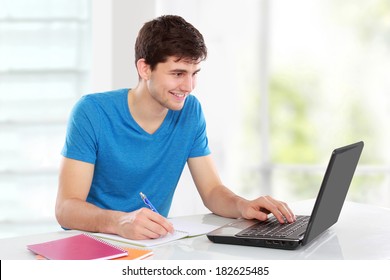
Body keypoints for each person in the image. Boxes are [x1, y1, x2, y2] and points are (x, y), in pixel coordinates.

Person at [55, 15, 296, 240]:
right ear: (145, 68)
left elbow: (212, 191)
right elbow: (66, 208)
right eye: (178, 73)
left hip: (151, 245)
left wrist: (243, 205)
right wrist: (120, 222)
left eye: (194, 73)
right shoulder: (92, 112)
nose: (189, 86)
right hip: (94, 242)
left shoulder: (190, 111)